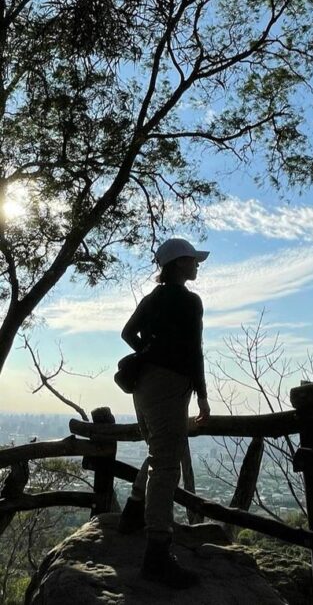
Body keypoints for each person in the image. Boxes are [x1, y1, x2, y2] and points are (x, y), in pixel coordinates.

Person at [117, 238, 211, 589]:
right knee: (167, 464)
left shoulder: (152, 299)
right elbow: (195, 351)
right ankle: (157, 555)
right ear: (178, 264)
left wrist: (150, 352)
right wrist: (202, 396)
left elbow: (127, 333)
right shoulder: (190, 302)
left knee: (159, 451)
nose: (197, 265)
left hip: (143, 385)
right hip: (171, 385)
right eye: (192, 261)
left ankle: (131, 514)